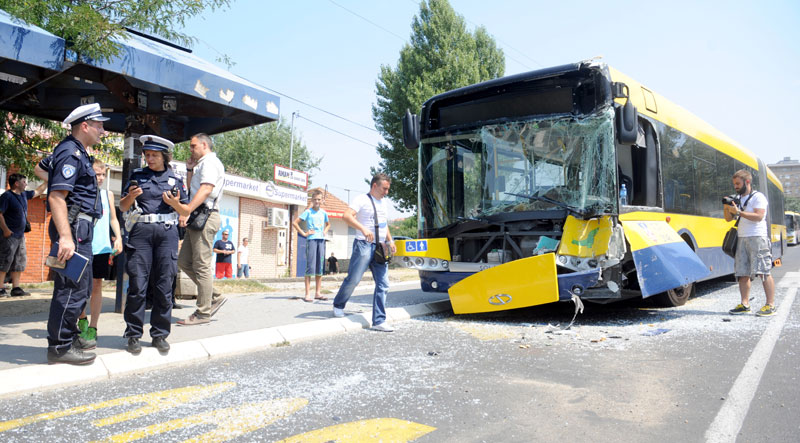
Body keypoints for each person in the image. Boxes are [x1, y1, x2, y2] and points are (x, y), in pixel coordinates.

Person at [44, 103, 108, 365]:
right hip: (73, 229)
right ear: (85, 126)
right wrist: (66, 237)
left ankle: (67, 339)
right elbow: (56, 196)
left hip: (81, 228)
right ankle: (59, 347)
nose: (103, 131)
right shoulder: (71, 153)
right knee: (71, 288)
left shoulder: (77, 153)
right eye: (99, 126)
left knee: (80, 288)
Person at [119, 135, 190, 354]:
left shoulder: (175, 179)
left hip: (167, 234)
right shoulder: (137, 176)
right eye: (147, 155)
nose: (149, 159)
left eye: (154, 155)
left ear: (165, 157)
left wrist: (175, 204)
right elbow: (123, 206)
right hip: (141, 233)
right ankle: (133, 334)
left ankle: (159, 334)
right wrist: (131, 197)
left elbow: (186, 210)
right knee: (138, 285)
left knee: (164, 286)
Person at [332, 173, 396, 331]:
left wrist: (390, 240)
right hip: (363, 245)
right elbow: (346, 216)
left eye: (388, 189)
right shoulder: (361, 199)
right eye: (384, 188)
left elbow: (384, 224)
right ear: (375, 186)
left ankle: (379, 321)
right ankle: (338, 304)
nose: (386, 192)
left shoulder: (383, 203)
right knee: (354, 279)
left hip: (380, 247)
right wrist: (363, 229)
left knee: (383, 283)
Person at [177, 133, 227, 326]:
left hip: (205, 216)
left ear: (204, 145)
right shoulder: (201, 164)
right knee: (184, 261)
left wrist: (187, 210)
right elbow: (193, 188)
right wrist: (189, 169)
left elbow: (206, 189)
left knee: (201, 265)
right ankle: (214, 295)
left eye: (193, 146)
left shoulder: (210, 163)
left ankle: (203, 312)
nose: (190, 149)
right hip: (198, 217)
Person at [76, 160, 122, 342]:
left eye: (103, 174)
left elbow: (113, 218)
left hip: (101, 246)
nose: (101, 178)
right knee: (79, 286)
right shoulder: (79, 192)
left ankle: (94, 326)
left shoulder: (107, 194)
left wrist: (118, 237)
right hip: (82, 244)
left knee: (97, 285)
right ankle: (81, 318)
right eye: (97, 174)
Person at [725, 169, 776, 316]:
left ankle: (770, 305)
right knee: (742, 273)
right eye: (734, 184)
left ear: (747, 182)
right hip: (742, 238)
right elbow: (728, 219)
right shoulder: (737, 198)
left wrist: (739, 212)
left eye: (738, 183)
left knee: (763, 272)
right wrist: (727, 207)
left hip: (757, 237)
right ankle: (745, 304)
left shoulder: (758, 197)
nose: (735, 186)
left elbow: (759, 216)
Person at [0, 173, 46, 297]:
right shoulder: (7, 196)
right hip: (8, 236)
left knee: (19, 262)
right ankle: (0, 288)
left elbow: (38, 191)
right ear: (17, 183)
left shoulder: (24, 195)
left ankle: (16, 288)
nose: (26, 184)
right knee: (4, 261)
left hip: (20, 236)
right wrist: (6, 230)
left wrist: (47, 181)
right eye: (24, 182)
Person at [292, 190, 331, 302]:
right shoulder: (308, 212)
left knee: (320, 268)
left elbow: (328, 224)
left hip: (321, 241)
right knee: (310, 267)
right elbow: (295, 223)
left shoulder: (323, 213)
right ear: (312, 200)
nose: (317, 201)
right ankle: (307, 294)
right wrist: (304, 233)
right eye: (315, 199)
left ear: (322, 200)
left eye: (319, 199)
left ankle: (318, 293)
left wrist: (325, 231)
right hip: (311, 240)